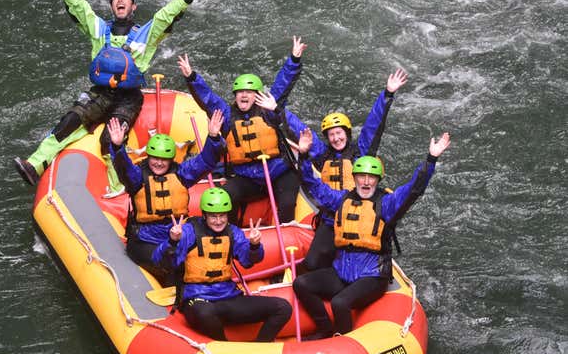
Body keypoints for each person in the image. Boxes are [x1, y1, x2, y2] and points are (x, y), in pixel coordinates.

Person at [14, 0, 214, 190]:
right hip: (100, 92)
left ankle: (117, 188)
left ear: (133, 7)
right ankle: (35, 164)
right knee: (70, 120)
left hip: (128, 98)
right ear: (112, 7)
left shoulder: (145, 34)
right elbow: (77, 4)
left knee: (110, 141)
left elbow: (169, 12)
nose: (120, 0)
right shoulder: (99, 29)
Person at [292, 130, 451, 339]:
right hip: (343, 271)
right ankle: (324, 327)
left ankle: (343, 343)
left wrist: (431, 159)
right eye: (361, 177)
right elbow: (314, 185)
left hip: (373, 276)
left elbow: (414, 189)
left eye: (371, 178)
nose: (366, 182)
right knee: (301, 284)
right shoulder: (341, 200)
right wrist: (303, 156)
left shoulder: (386, 204)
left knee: (340, 302)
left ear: (377, 180)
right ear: (354, 178)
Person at [284, 68, 409, 270]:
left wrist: (387, 94)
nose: (336, 138)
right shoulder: (322, 154)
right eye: (331, 134)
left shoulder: (360, 154)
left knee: (353, 263)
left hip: (360, 218)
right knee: (312, 263)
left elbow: (373, 125)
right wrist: (278, 109)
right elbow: (300, 129)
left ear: (347, 133)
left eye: (339, 133)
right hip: (331, 218)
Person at [178, 37, 307, 225]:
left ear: (257, 95)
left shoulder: (267, 108)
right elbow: (208, 98)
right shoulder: (227, 115)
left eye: (249, 92)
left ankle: (286, 233)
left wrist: (294, 60)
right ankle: (230, 232)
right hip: (248, 177)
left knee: (287, 203)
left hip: (279, 172)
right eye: (240, 92)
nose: (244, 95)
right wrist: (192, 77)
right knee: (225, 197)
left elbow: (283, 84)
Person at [154, 187, 292, 342]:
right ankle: (224, 347)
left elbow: (248, 261)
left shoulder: (233, 232)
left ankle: (260, 347)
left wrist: (254, 245)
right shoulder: (188, 231)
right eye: (213, 216)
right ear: (204, 215)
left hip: (228, 296)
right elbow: (161, 260)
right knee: (205, 313)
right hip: (197, 297)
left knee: (283, 308)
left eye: (222, 216)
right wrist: (172, 241)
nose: (218, 221)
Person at [107, 110, 226, 284]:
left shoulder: (181, 173)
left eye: (164, 159)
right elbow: (123, 169)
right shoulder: (137, 176)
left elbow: (205, 161)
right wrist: (118, 148)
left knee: (197, 253)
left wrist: (214, 138)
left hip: (177, 232)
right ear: (148, 157)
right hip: (144, 240)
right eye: (155, 158)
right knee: (170, 259)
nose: (159, 163)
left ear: (171, 160)